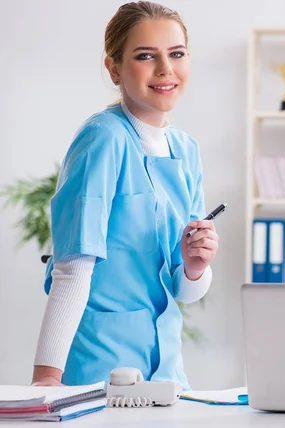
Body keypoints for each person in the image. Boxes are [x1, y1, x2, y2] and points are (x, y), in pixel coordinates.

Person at [31, 1, 218, 390]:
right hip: (101, 369)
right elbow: (73, 264)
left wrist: (196, 266)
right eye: (146, 56)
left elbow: (182, 290)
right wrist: (46, 378)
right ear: (114, 68)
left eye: (177, 54)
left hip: (166, 373)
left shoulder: (186, 149)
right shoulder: (103, 138)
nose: (165, 69)